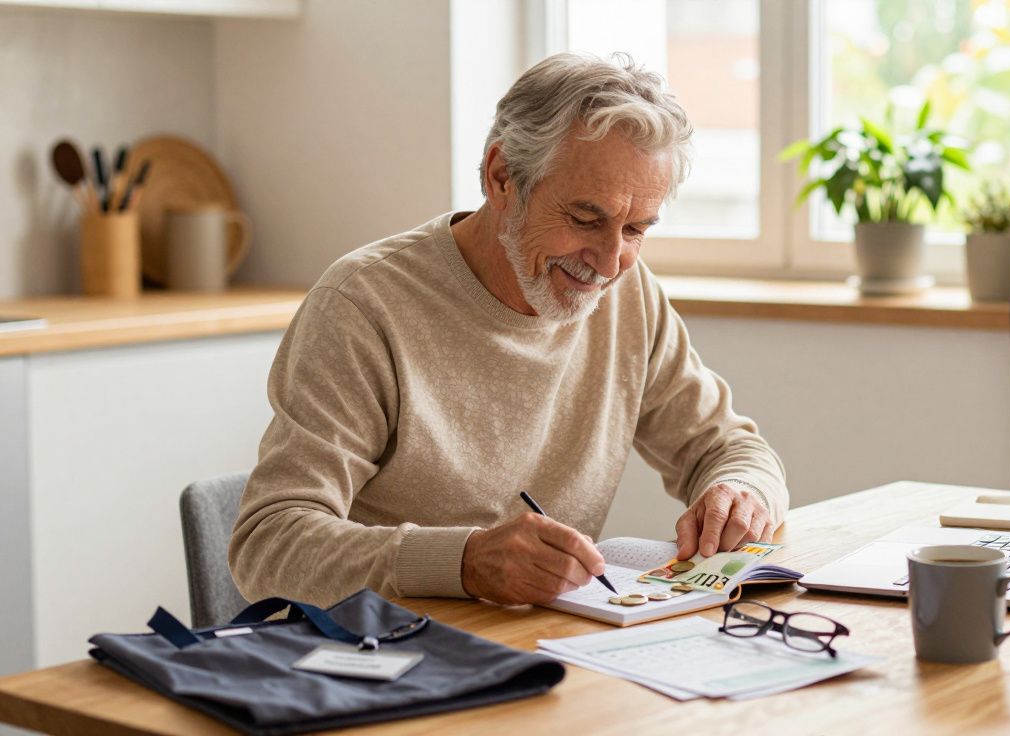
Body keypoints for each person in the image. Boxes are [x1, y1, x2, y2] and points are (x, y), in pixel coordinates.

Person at [229, 52, 789, 607]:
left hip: (539, 647)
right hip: (379, 658)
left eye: (637, 227)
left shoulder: (627, 292)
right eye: (585, 219)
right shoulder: (363, 304)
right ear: (502, 178)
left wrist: (740, 493)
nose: (611, 259)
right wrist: (466, 564)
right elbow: (268, 547)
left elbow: (729, 446)